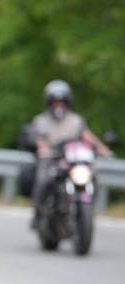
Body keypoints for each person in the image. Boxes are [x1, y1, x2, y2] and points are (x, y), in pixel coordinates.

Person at [30, 79, 112, 228]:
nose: (59, 105)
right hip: (53, 159)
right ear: (49, 102)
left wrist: (102, 148)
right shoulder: (41, 120)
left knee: (92, 176)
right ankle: (38, 212)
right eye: (56, 102)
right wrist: (44, 148)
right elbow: (39, 139)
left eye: (62, 102)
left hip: (73, 159)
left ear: (67, 102)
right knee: (43, 178)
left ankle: (88, 210)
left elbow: (87, 136)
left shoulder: (76, 120)